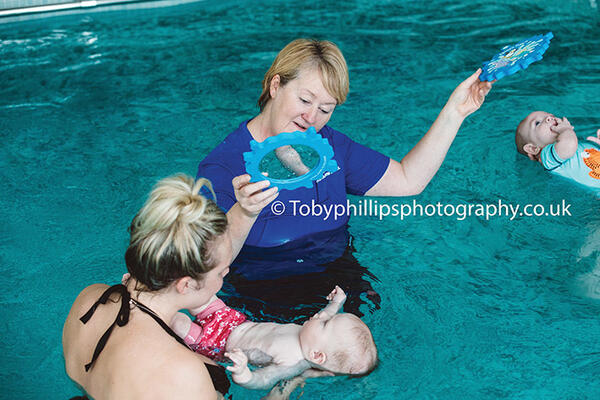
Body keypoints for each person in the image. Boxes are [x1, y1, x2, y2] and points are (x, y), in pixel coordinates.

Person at [196, 38, 493, 320]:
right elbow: (206, 266)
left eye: (325, 109)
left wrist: (455, 112)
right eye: (304, 100)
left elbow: (407, 181)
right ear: (276, 85)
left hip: (337, 277)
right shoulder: (222, 167)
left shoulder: (331, 147)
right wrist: (244, 212)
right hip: (261, 289)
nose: (311, 117)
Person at [62, 173, 278, 400]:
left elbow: (206, 253)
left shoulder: (89, 299)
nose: (226, 274)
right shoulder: (182, 374)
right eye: (221, 273)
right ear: (185, 284)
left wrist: (246, 211)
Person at [170, 285, 377, 391]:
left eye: (324, 323)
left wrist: (244, 374)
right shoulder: (313, 338)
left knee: (178, 323)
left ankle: (148, 310)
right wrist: (338, 302)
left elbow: (263, 379)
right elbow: (329, 314)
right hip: (233, 321)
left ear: (317, 355)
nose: (321, 315)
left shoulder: (291, 363)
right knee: (198, 290)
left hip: (218, 345)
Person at [515, 111, 600, 188]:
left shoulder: (575, 141)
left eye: (551, 115)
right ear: (533, 148)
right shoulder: (547, 157)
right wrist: (566, 129)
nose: (549, 118)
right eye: (537, 123)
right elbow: (569, 145)